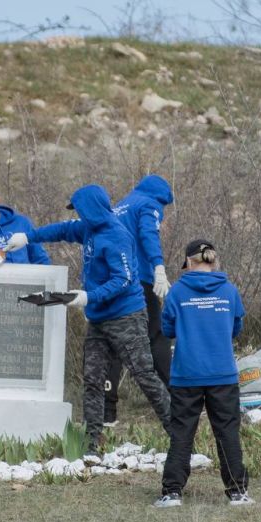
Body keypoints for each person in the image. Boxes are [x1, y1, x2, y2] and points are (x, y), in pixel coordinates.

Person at [6, 184, 171, 451]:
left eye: (81, 211)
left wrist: (88, 297)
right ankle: (92, 443)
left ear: (92, 209)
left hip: (126, 318)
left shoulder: (117, 236)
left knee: (145, 376)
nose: (78, 216)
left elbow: (124, 279)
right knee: (92, 379)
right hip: (98, 320)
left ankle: (179, 435)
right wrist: (27, 237)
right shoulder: (87, 229)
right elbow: (60, 229)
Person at [155, 240, 252, 508]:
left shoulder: (176, 293)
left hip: (187, 374)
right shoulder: (230, 292)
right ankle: (237, 491)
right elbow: (236, 328)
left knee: (182, 433)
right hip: (223, 374)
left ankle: (172, 492)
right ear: (214, 260)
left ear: (188, 262)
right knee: (228, 433)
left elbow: (167, 329)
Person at [104, 174, 174, 426]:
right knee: (157, 334)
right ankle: (174, 397)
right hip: (139, 279)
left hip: (113, 280)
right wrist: (158, 266)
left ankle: (106, 411)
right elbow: (148, 233)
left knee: (112, 341)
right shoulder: (149, 204)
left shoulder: (122, 204)